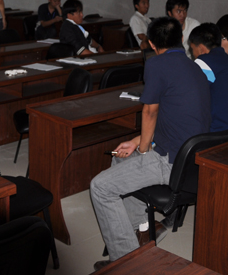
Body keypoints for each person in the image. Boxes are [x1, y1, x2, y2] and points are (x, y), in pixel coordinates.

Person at [90, 17, 211, 269]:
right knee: (120, 158)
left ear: (152, 44)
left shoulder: (156, 63)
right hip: (193, 160)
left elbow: (149, 112)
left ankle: (126, 263)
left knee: (100, 187)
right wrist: (136, 142)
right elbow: (174, 117)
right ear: (182, 40)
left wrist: (143, 149)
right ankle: (140, 231)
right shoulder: (195, 68)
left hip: (171, 162)